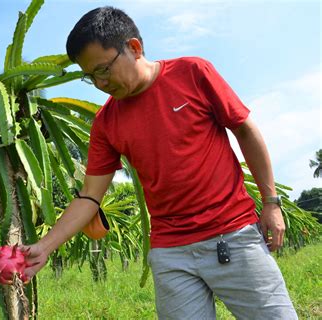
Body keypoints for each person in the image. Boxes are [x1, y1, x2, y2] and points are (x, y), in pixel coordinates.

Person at [21, 6, 298, 319]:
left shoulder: (193, 73)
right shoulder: (106, 123)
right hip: (171, 253)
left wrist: (271, 203)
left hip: (232, 236)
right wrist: (44, 247)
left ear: (135, 48)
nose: (100, 83)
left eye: (103, 70)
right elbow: (89, 197)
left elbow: (245, 130)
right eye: (90, 77)